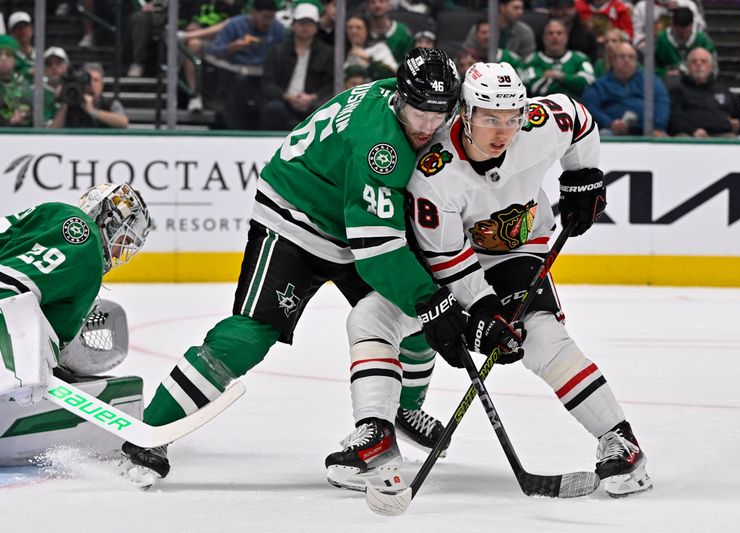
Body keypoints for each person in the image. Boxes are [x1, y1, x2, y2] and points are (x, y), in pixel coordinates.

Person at [119, 48, 463, 491]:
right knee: (251, 334)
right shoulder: (382, 146)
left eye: (440, 114)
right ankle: (149, 432)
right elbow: (377, 252)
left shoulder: (391, 98)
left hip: (348, 218)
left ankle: (401, 407)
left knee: (412, 318)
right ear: (399, 98)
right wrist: (430, 298)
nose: (429, 127)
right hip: (295, 218)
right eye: (420, 113)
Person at [403, 61, 652, 497]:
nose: (503, 131)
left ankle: (620, 441)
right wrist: (482, 307)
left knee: (540, 337)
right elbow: (446, 256)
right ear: (465, 113)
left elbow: (577, 117)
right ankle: (387, 419)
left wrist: (583, 175)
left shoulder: (538, 125)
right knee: (407, 319)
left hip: (519, 247)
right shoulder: (433, 174)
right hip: (457, 257)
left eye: (511, 118)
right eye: (490, 119)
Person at [0, 183, 151, 454]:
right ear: (108, 219)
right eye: (123, 240)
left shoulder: (47, 214)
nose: (118, 253)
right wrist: (25, 367)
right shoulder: (83, 238)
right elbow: (8, 288)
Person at [206, 0, 286, 129]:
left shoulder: (278, 29)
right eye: (264, 17)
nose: (267, 22)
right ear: (253, 13)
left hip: (265, 78)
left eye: (271, 18)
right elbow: (213, 51)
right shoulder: (235, 25)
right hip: (235, 75)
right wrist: (230, 48)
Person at [260, 3, 334, 131]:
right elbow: (267, 83)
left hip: (313, 104)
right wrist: (286, 96)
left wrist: (312, 97)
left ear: (316, 27)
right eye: (301, 23)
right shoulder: (278, 51)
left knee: (324, 111)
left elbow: (332, 84)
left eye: (309, 23)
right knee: (273, 109)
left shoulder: (327, 53)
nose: (305, 27)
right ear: (293, 25)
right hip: (284, 103)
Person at [581, 41, 670, 136]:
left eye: (631, 57)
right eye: (622, 56)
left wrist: (658, 126)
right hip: (612, 131)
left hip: (648, 131)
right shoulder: (600, 85)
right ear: (613, 61)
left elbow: (662, 102)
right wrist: (609, 123)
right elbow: (590, 106)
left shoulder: (650, 82)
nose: (627, 60)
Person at [668, 47, 740, 137]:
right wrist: (692, 131)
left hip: (722, 136)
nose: (699, 64)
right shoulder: (677, 91)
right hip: (691, 137)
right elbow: (674, 117)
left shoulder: (723, 90)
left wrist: (739, 125)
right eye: (694, 61)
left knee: (731, 138)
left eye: (703, 61)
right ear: (688, 67)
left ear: (711, 67)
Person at [521, 18, 595, 99]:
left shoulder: (580, 58)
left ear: (566, 37)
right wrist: (572, 84)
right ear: (543, 37)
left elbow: (588, 83)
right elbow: (533, 86)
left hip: (574, 108)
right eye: (550, 33)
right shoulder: (532, 60)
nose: (555, 37)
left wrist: (561, 77)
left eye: (559, 33)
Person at [49, 63, 129, 129]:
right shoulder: (71, 105)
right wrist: (64, 102)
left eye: (96, 80)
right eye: (88, 80)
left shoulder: (110, 104)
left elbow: (123, 122)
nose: (92, 84)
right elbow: (53, 131)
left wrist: (92, 111)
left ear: (102, 84)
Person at [0, 35, 56, 127]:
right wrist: (9, 121)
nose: (3, 59)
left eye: (8, 54)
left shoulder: (25, 82)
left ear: (15, 59)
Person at [653, 7, 716, 79]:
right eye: (679, 32)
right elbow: (646, 67)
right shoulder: (660, 40)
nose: (682, 35)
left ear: (692, 25)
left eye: (686, 31)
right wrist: (665, 72)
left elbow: (714, 69)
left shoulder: (703, 41)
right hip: (667, 82)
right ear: (672, 25)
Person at [463, 0, 536, 59]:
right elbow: (467, 52)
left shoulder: (525, 31)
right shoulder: (481, 26)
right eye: (516, 8)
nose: (520, 12)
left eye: (521, 8)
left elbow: (528, 61)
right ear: (502, 8)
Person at [632, 0, 705, 50]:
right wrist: (641, 42)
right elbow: (636, 34)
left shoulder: (688, 4)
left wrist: (679, 9)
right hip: (652, 50)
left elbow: (698, 31)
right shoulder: (641, 7)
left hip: (682, 48)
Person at [344, 14, 398, 81]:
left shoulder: (379, 48)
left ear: (367, 30)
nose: (354, 31)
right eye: (350, 27)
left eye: (358, 27)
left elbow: (391, 76)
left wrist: (369, 59)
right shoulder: (340, 52)